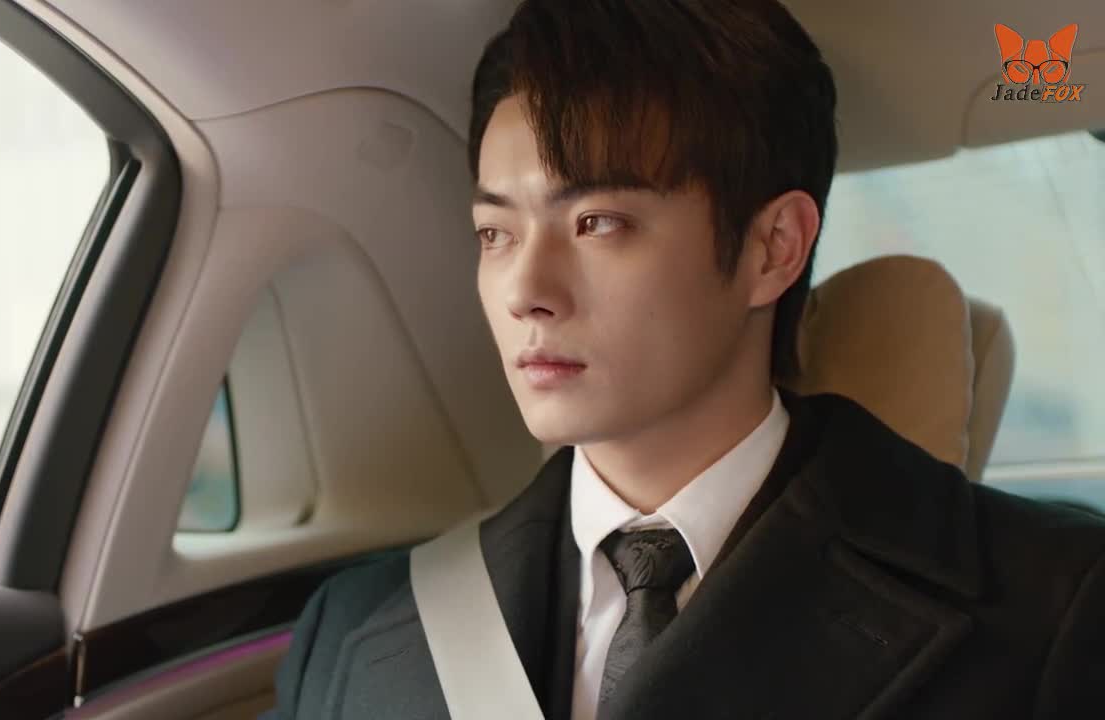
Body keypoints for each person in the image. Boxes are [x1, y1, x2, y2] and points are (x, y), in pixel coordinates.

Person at [265, 0, 1105, 717]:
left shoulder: (1057, 606)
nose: (525, 291)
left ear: (773, 248)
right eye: (496, 233)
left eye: (598, 223)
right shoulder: (354, 630)